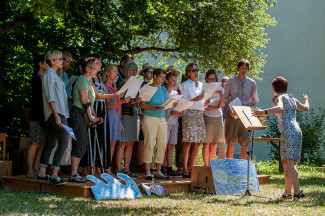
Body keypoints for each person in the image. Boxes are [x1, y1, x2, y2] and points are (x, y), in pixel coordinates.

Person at [253, 76, 309, 201]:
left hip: (288, 131)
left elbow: (279, 108)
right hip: (296, 130)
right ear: (286, 87)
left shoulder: (279, 98)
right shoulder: (292, 98)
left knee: (289, 162)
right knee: (285, 162)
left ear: (274, 88)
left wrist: (264, 112)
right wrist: (306, 100)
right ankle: (287, 192)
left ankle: (298, 192)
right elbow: (306, 108)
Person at [37, 50, 69, 185]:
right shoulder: (50, 74)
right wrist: (56, 116)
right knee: (64, 142)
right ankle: (55, 175)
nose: (62, 61)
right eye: (60, 59)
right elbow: (50, 97)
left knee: (50, 143)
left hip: (56, 113)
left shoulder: (53, 74)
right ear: (52, 61)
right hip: (56, 113)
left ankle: (42, 173)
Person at [69, 58, 104, 182]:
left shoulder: (89, 82)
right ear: (88, 69)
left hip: (83, 114)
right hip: (78, 113)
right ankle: (73, 174)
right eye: (95, 68)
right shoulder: (83, 80)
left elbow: (92, 102)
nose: (97, 71)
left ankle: (74, 173)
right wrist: (91, 117)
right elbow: (84, 100)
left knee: (83, 145)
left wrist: (94, 117)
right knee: (79, 144)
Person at [140, 68, 175, 180]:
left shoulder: (163, 89)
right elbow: (142, 105)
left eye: (164, 78)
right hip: (149, 117)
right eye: (161, 77)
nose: (162, 80)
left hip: (161, 119)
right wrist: (155, 107)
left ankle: (158, 171)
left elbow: (166, 104)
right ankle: (148, 171)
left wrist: (174, 103)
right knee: (149, 143)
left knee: (162, 144)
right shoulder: (146, 88)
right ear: (155, 76)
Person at [223, 59, 258, 159]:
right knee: (230, 141)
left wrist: (249, 105)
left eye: (246, 68)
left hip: (245, 114)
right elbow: (225, 98)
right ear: (238, 68)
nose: (244, 70)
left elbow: (255, 99)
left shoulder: (252, 83)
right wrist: (230, 110)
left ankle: (244, 168)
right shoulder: (231, 81)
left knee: (244, 142)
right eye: (242, 67)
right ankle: (229, 166)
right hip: (233, 113)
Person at [180, 63, 209, 178]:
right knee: (188, 142)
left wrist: (205, 103)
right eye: (193, 70)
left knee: (198, 142)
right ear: (188, 73)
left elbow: (201, 102)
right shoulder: (185, 85)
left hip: (199, 114)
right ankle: (185, 169)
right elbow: (183, 102)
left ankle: (193, 167)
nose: (196, 72)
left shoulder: (202, 85)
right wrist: (195, 99)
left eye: (197, 70)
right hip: (189, 113)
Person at [102, 64, 131, 175]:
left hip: (115, 117)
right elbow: (108, 105)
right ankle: (106, 168)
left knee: (113, 143)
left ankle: (108, 167)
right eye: (113, 71)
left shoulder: (115, 87)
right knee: (108, 143)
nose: (116, 73)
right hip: (109, 117)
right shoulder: (106, 86)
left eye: (116, 71)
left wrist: (119, 121)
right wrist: (122, 101)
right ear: (107, 73)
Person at [116, 61, 142, 177]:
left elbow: (137, 102)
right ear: (127, 70)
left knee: (130, 143)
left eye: (135, 71)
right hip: (125, 114)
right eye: (132, 70)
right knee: (122, 143)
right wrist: (133, 101)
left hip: (135, 114)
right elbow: (120, 103)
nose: (134, 72)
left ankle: (127, 169)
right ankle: (118, 168)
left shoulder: (137, 84)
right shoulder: (121, 83)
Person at [26, 55, 49, 179]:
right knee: (35, 143)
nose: (48, 65)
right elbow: (38, 99)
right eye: (46, 62)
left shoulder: (44, 78)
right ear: (40, 64)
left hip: (44, 116)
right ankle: (30, 170)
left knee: (41, 144)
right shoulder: (36, 78)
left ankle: (36, 169)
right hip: (36, 116)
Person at [202, 70, 225, 166]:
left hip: (218, 117)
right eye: (210, 79)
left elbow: (223, 104)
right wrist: (215, 107)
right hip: (207, 116)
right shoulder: (204, 89)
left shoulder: (221, 89)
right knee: (206, 142)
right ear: (206, 79)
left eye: (214, 79)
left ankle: (211, 164)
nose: (212, 81)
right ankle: (206, 165)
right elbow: (203, 106)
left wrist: (220, 94)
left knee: (215, 142)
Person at [163, 71, 182, 176]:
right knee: (163, 145)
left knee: (171, 146)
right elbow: (162, 108)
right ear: (167, 81)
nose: (175, 83)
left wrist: (179, 112)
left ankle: (169, 168)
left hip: (174, 122)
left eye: (176, 80)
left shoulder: (176, 93)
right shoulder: (164, 92)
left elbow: (178, 107)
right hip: (165, 121)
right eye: (173, 80)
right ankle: (161, 167)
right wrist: (170, 112)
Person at [137, 63, 154, 172]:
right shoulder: (141, 85)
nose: (152, 74)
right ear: (144, 73)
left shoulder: (152, 85)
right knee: (142, 140)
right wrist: (140, 117)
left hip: (151, 115)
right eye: (150, 72)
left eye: (153, 72)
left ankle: (148, 164)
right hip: (142, 114)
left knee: (149, 140)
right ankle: (140, 164)